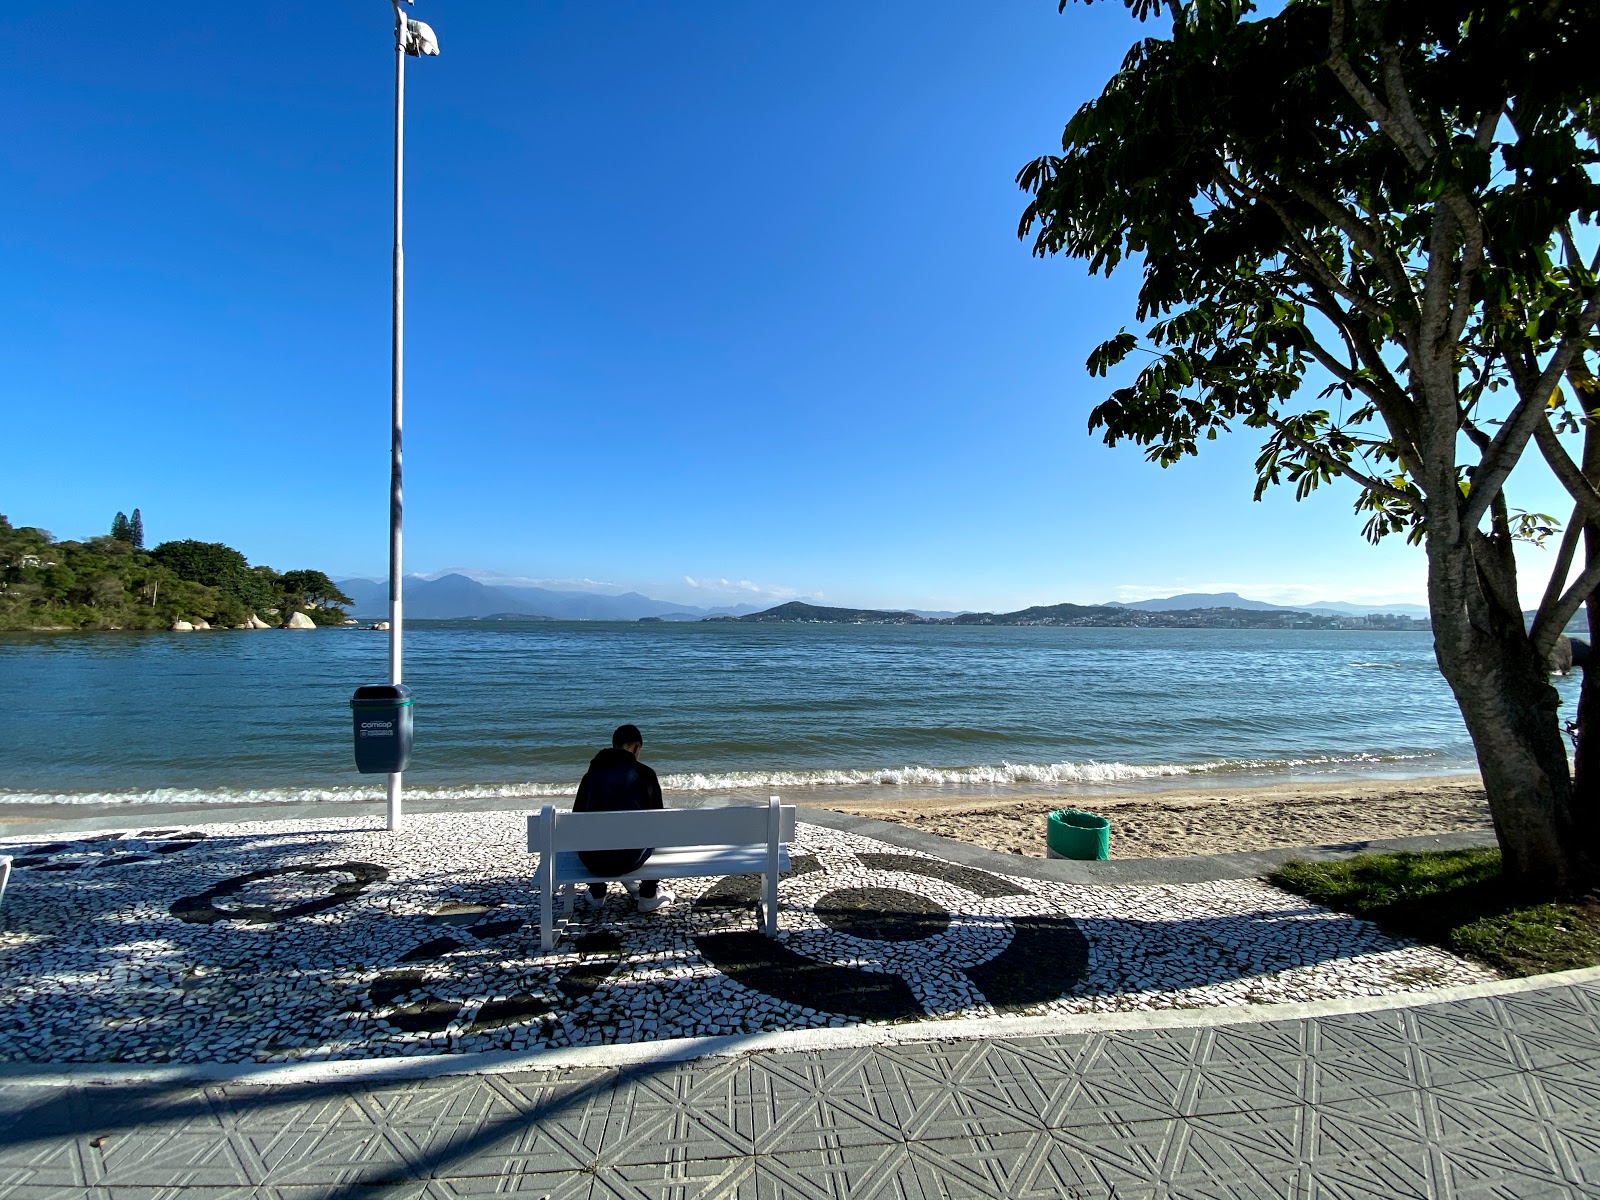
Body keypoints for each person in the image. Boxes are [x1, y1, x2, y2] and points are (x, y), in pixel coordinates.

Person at [573, 724, 674, 912]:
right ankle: (648, 896)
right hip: (631, 858)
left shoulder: (591, 775)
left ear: (614, 746)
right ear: (636, 748)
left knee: (593, 836)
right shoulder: (645, 774)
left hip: (594, 861)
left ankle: (597, 894)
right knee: (654, 832)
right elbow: (659, 823)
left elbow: (576, 821)